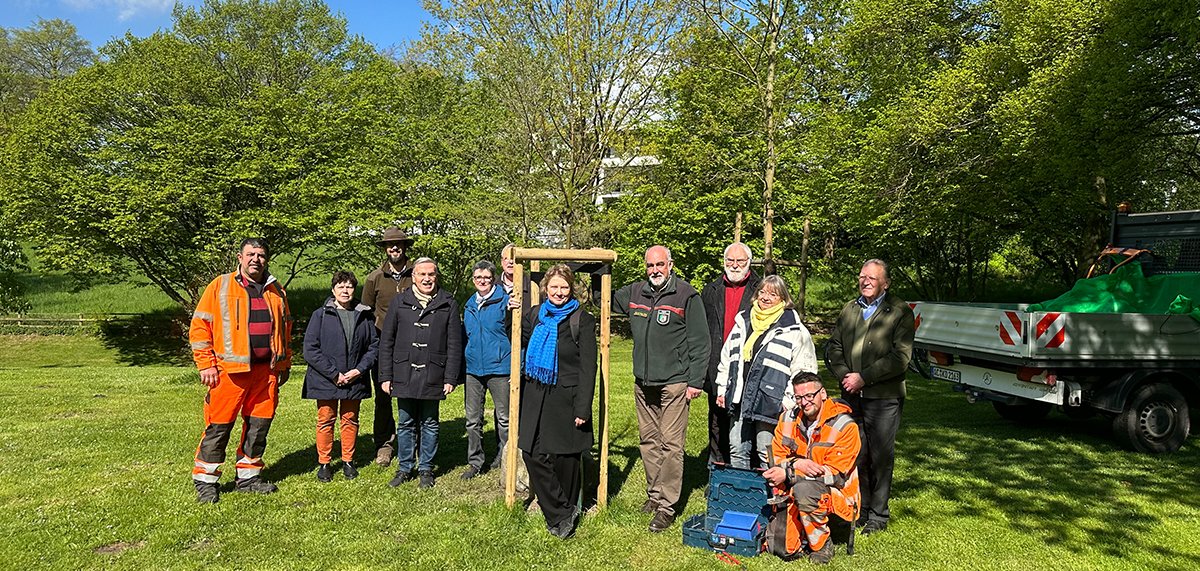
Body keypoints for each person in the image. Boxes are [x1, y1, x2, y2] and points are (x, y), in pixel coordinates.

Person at [612, 245, 710, 532]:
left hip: (675, 381)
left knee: (671, 444)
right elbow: (603, 299)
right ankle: (654, 496)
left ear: (670, 265)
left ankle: (667, 506)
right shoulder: (635, 292)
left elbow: (700, 342)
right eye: (650, 266)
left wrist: (695, 381)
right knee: (649, 441)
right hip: (644, 382)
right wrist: (595, 270)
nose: (654, 270)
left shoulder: (686, 296)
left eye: (659, 265)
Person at [189, 238, 293, 503]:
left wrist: (283, 364)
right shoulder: (220, 285)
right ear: (240, 257)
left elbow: (286, 329)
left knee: (259, 427)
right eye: (250, 254)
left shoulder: (276, 289)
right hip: (228, 373)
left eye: (260, 254)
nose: (255, 259)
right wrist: (206, 364)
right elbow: (200, 327)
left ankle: (248, 477)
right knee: (219, 427)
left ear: (266, 259)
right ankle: (206, 481)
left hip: (265, 373)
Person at [825, 259, 914, 536]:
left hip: (882, 396)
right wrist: (844, 376)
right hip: (851, 394)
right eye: (862, 277)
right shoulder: (850, 309)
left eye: (872, 278)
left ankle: (878, 514)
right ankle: (859, 508)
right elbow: (834, 346)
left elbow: (900, 358)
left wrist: (864, 377)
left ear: (885, 283)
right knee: (856, 453)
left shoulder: (900, 312)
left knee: (880, 455)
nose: (865, 281)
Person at [519, 265, 597, 539]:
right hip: (536, 393)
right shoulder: (535, 315)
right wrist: (512, 313)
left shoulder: (581, 320)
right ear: (545, 289)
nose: (559, 292)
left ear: (571, 288)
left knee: (566, 458)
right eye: (554, 287)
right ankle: (562, 512)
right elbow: (517, 339)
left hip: (567, 397)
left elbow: (589, 367)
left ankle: (562, 513)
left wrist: (583, 407)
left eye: (564, 287)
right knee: (531, 452)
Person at [715, 275, 816, 469]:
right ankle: (741, 496)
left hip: (772, 401)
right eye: (762, 292)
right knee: (737, 449)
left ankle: (772, 496)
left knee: (767, 451)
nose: (765, 297)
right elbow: (727, 356)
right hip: (740, 397)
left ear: (783, 299)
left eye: (773, 294)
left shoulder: (793, 328)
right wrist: (722, 389)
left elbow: (804, 369)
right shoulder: (743, 320)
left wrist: (789, 401)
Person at [379, 257, 463, 489]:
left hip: (433, 372)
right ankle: (404, 467)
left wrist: (450, 377)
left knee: (430, 422)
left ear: (436, 277)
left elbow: (455, 344)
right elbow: (387, 340)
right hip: (403, 370)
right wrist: (386, 375)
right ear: (413, 277)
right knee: (405, 422)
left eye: (431, 274)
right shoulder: (399, 301)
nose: (427, 279)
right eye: (422, 274)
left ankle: (426, 468)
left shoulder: (448, 303)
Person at [763, 372, 861, 564]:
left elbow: (836, 475)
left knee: (805, 489)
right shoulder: (788, 419)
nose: (804, 402)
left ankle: (822, 545)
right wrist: (797, 464)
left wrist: (789, 472)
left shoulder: (845, 427)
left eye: (810, 396)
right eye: (798, 397)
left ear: (823, 393)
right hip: (794, 486)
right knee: (783, 548)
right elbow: (774, 458)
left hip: (839, 495)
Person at [302, 271, 378, 482]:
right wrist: (333, 374)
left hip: (354, 378)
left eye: (349, 287)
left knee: (350, 420)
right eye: (341, 286)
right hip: (326, 379)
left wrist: (359, 370)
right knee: (326, 419)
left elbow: (373, 346)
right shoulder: (321, 315)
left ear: (355, 290)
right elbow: (310, 349)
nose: (345, 291)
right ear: (333, 289)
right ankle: (325, 463)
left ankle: (348, 461)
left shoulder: (364, 314)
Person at [701, 242, 762, 464]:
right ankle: (717, 471)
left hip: (748, 366)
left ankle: (748, 471)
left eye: (740, 261)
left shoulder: (761, 289)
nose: (735, 265)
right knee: (717, 422)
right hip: (717, 365)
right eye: (730, 261)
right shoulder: (711, 290)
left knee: (747, 421)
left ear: (749, 262)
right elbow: (703, 330)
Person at [362, 227, 415, 467]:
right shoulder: (374, 278)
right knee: (383, 398)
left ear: (405, 247)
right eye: (390, 245)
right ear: (385, 249)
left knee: (413, 395)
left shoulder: (418, 274)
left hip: (414, 345)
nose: (394, 248)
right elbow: (365, 314)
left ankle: (413, 442)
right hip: (383, 347)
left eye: (398, 244)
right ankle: (384, 444)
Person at [461, 260, 512, 480]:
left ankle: (506, 456)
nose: (482, 281)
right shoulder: (469, 304)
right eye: (478, 277)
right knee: (473, 420)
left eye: (487, 278)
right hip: (473, 368)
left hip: (500, 367)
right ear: (473, 280)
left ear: (493, 279)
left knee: (504, 418)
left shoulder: (506, 302)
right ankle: (475, 461)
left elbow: (516, 334)